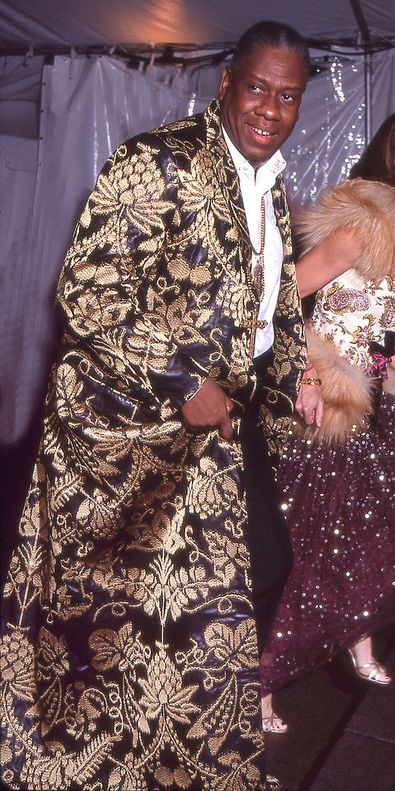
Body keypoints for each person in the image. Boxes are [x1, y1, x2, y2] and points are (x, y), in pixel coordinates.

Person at [0, 22, 310, 791]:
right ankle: (102, 756)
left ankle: (172, 748)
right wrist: (180, 377)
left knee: (245, 575)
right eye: (259, 89)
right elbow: (85, 289)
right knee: (113, 611)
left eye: (289, 96)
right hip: (131, 433)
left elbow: (270, 308)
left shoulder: (273, 185)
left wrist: (297, 380)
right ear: (227, 85)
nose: (271, 109)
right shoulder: (158, 162)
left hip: (215, 434)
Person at [260, 108, 395, 729]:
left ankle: (358, 629)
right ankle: (261, 680)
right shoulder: (364, 221)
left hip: (370, 401)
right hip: (325, 402)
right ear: (390, 160)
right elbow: (289, 294)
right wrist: (305, 373)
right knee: (306, 547)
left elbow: (374, 313)